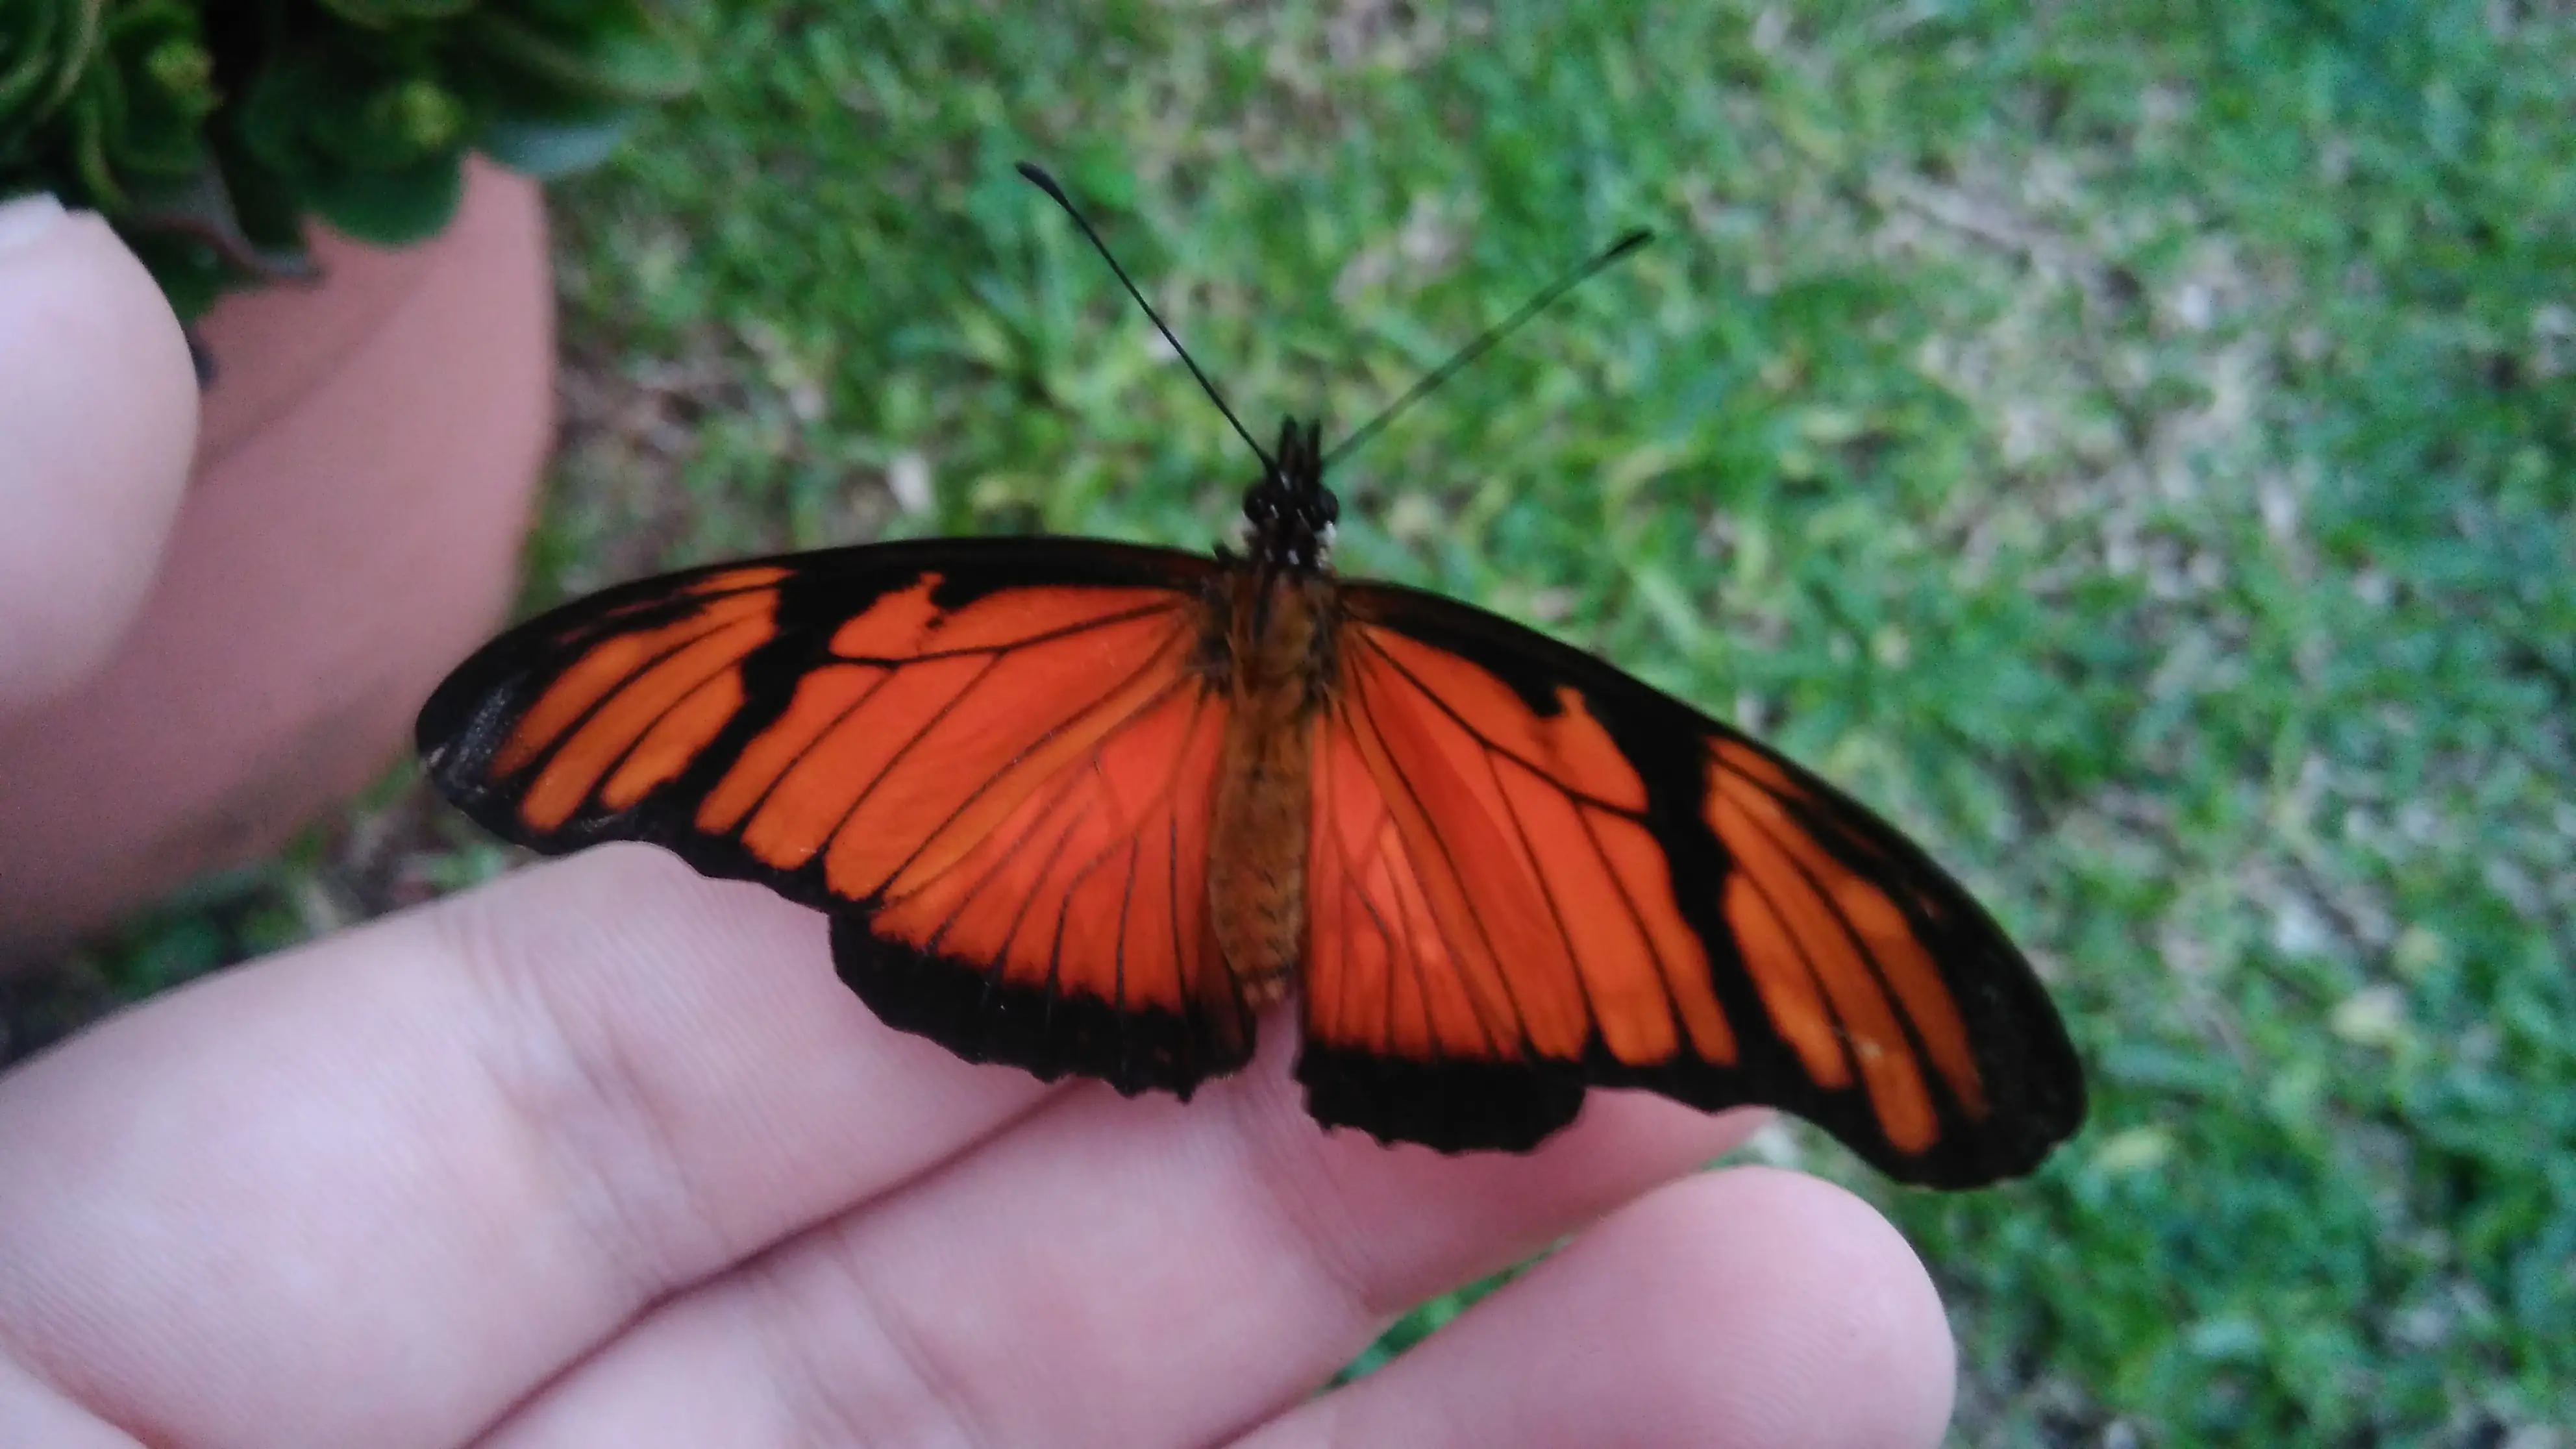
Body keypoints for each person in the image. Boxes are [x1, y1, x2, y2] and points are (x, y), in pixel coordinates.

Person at [0, 191, 1955, 1447]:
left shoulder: (1024, 631)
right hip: (1308, 948)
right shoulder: (1486, 707)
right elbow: (710, 702)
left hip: (1091, 917)